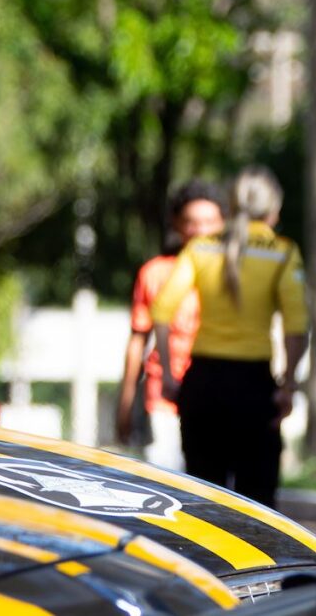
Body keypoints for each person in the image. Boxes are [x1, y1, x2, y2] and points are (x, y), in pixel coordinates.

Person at [150, 166, 307, 508]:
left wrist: (168, 375)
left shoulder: (201, 249)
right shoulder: (282, 252)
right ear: (274, 210)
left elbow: (161, 311)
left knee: (203, 505)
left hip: (203, 386)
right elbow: (297, 327)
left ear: (231, 206)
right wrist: (288, 385)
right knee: (259, 507)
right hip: (254, 389)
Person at [115, 179, 225, 468]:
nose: (201, 231)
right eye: (191, 222)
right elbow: (137, 340)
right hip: (164, 399)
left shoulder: (234, 275)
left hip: (216, 394)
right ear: (176, 224)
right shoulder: (154, 273)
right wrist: (125, 402)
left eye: (209, 222)